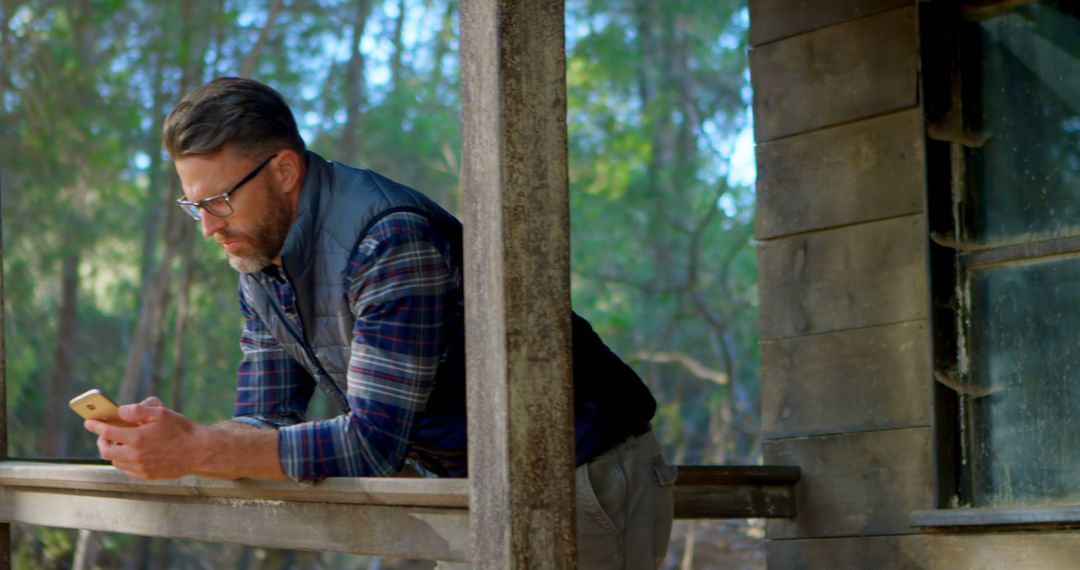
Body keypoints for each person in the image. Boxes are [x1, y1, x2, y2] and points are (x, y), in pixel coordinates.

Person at [83, 77, 674, 569]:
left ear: (284, 170)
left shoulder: (389, 239)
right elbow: (265, 416)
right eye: (194, 206)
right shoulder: (258, 257)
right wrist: (176, 438)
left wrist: (199, 450)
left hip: (579, 477)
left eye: (218, 201)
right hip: (482, 490)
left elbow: (372, 443)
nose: (207, 227)